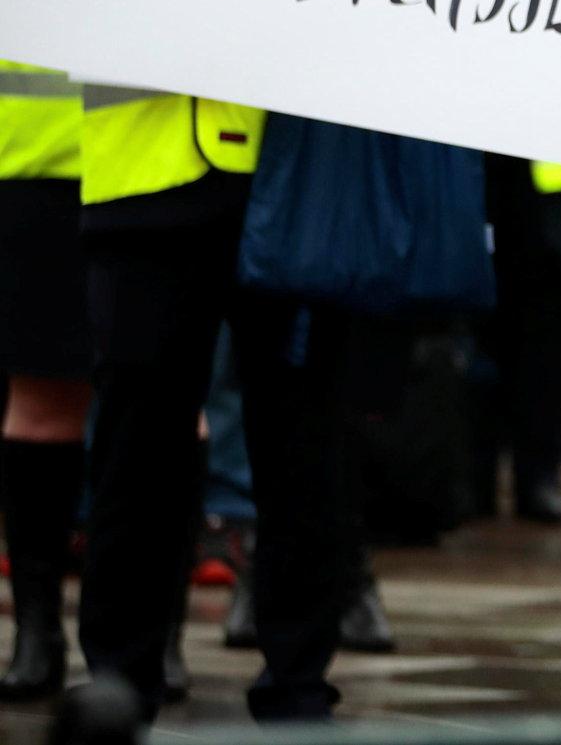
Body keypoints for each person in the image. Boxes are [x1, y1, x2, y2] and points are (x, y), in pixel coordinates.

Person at [73, 88, 356, 720]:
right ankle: (121, 678)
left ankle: (299, 684)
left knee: (304, 449)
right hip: (146, 174)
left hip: (296, 174)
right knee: (134, 450)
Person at [0, 61, 90, 702]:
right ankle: (38, 632)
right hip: (32, 158)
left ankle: (154, 638)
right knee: (40, 403)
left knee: (167, 403)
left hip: (171, 157)